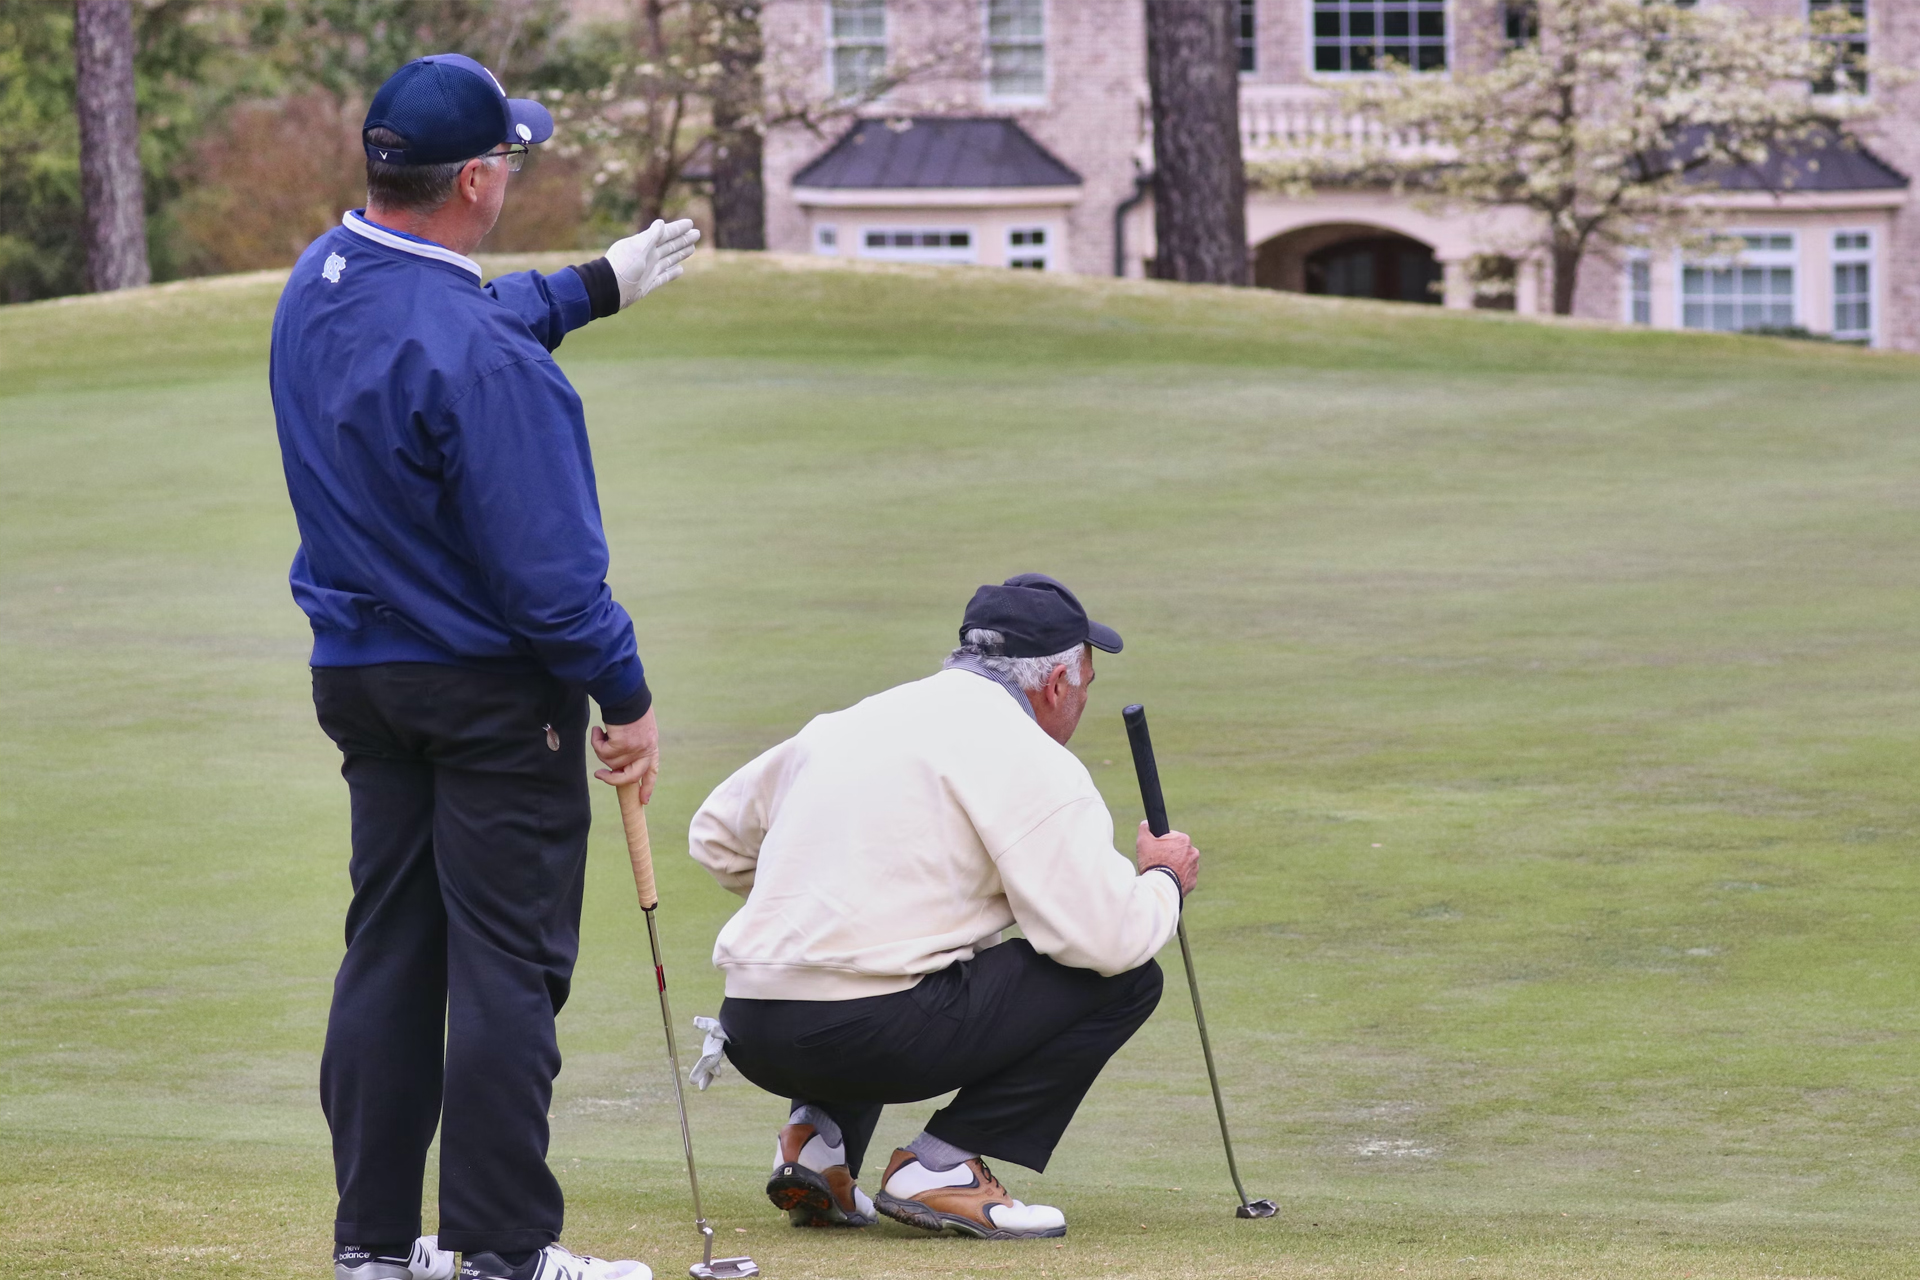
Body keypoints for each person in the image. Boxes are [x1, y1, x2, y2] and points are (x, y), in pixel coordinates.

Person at [267, 53, 699, 1280]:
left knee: (392, 949)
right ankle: (503, 1250)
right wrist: (626, 694)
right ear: (471, 179)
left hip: (361, 678)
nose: (513, 172)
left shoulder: (322, 279)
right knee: (506, 965)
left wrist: (593, 285)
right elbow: (556, 588)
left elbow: (449, 333)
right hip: (489, 692)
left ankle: (374, 1245)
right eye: (509, 157)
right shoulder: (494, 370)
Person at [687, 573, 1201, 1240]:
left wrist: (826, 884)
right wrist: (1163, 880)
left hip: (753, 1030)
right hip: (871, 1037)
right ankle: (942, 1166)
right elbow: (1108, 939)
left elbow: (716, 836)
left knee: (898, 949)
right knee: (1127, 981)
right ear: (1055, 686)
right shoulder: (1032, 758)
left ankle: (815, 1141)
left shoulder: (855, 719)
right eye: (1084, 690)